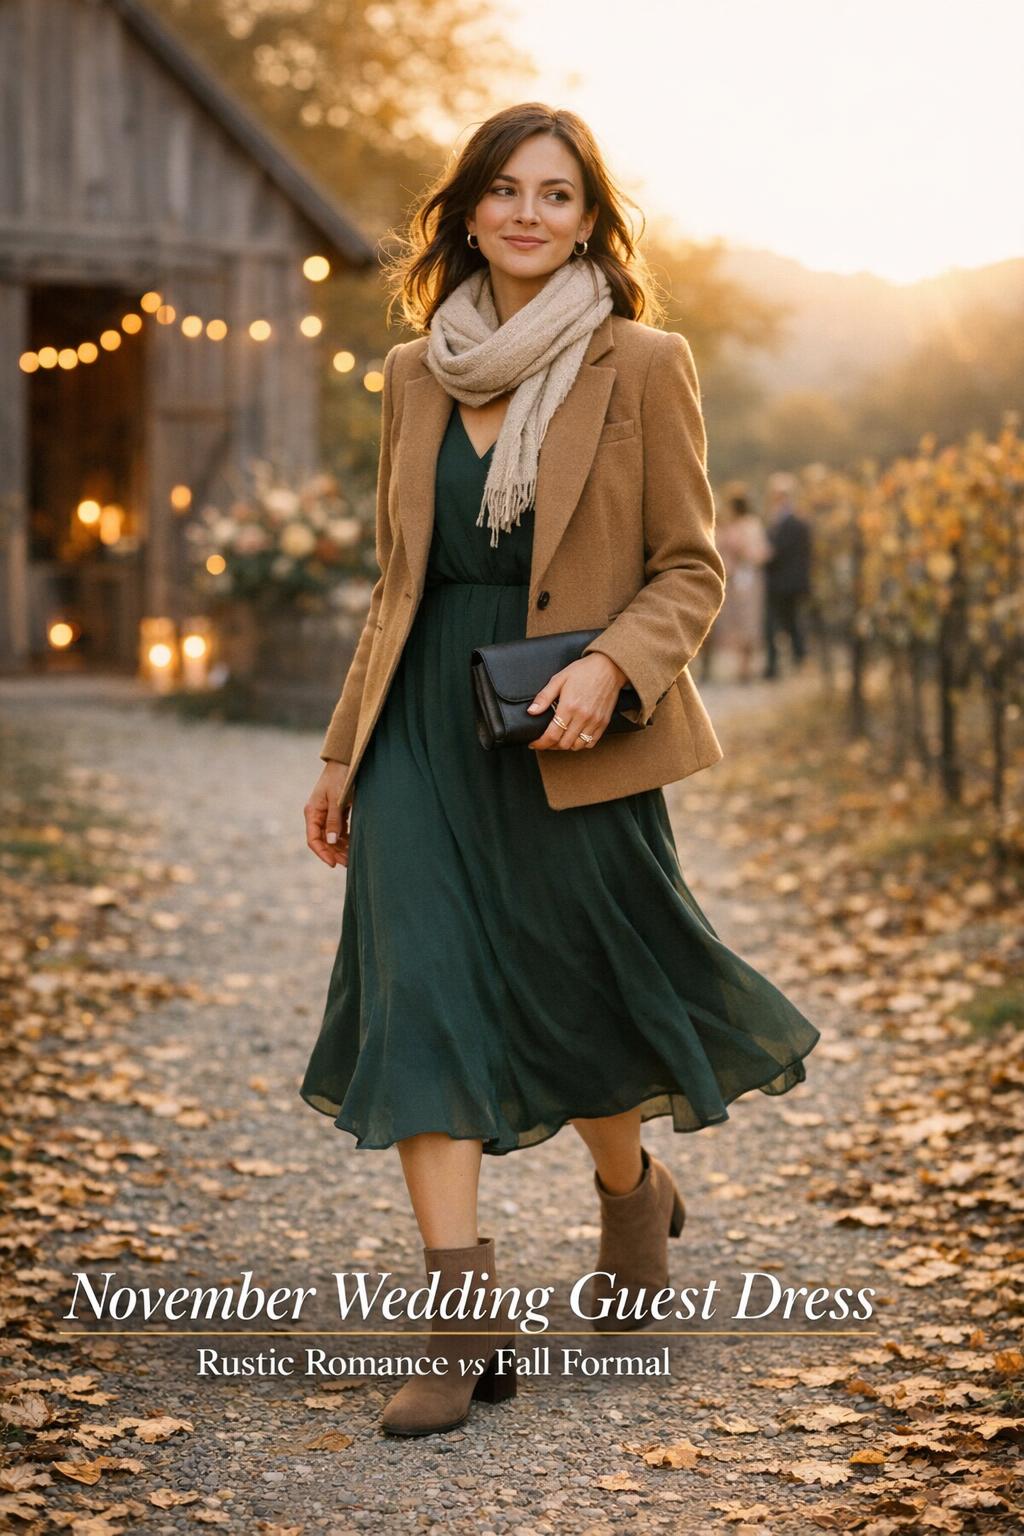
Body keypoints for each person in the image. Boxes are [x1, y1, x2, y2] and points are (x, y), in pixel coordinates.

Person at [301, 103, 820, 1438]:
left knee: (583, 990)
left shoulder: (642, 361)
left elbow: (690, 566)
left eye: (557, 195)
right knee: (422, 992)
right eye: (505, 190)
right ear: (468, 211)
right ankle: (462, 1329)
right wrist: (343, 751)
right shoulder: (414, 373)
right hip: (422, 727)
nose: (528, 213)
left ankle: (632, 1198)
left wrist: (611, 668)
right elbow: (399, 583)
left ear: (588, 223)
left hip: (572, 726)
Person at [713, 491, 773, 683]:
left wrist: (742, 550)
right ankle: (740, 664)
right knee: (735, 622)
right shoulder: (727, 526)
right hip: (732, 581)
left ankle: (746, 666)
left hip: (749, 580)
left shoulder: (751, 525)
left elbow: (761, 552)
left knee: (749, 621)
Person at [762, 472, 812, 678]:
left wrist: (763, 556)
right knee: (783, 623)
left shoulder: (793, 522)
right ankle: (781, 664)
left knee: (783, 623)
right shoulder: (779, 520)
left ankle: (791, 662)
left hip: (786, 583)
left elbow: (778, 551)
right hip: (781, 582)